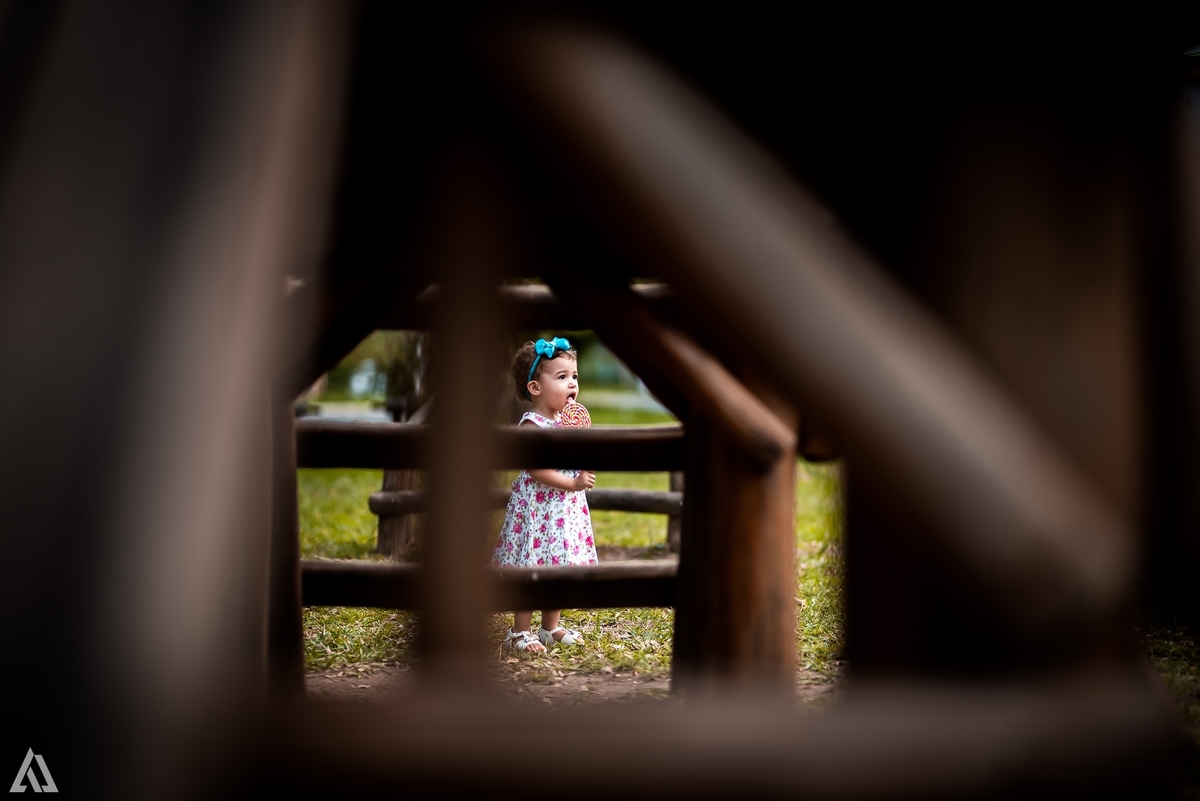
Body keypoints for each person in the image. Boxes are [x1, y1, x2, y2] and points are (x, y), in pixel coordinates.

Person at [493, 337, 598, 652]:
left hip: (563, 511)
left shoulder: (567, 423)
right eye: (562, 376)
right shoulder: (532, 425)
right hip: (538, 512)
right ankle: (519, 632)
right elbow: (536, 469)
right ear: (536, 388)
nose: (572, 383)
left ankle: (550, 627)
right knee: (532, 567)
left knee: (558, 565)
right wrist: (573, 483)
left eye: (574, 376)